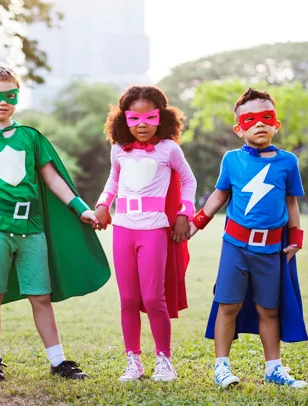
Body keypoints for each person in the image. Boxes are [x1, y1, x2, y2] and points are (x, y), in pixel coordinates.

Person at [0, 63, 111, 381]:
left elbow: (53, 178)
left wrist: (82, 209)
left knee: (40, 295)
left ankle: (58, 360)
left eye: (9, 95)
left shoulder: (31, 137)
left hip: (31, 226)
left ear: (18, 97)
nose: (2, 102)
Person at [191, 88, 308, 388]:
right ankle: (222, 367)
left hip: (271, 249)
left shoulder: (288, 162)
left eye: (266, 118)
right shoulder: (231, 160)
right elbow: (219, 194)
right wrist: (196, 224)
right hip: (235, 246)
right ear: (239, 127)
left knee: (269, 309)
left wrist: (296, 238)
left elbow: (292, 202)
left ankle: (274, 367)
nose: (259, 124)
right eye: (250, 119)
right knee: (227, 304)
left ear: (276, 124)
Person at [95, 85, 197, 382]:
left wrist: (183, 214)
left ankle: (164, 361)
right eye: (134, 118)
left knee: (154, 298)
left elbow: (189, 182)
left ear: (161, 118)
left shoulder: (169, 149)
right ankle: (133, 362)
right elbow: (113, 180)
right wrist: (103, 204)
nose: (141, 124)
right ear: (122, 119)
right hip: (123, 229)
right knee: (128, 299)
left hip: (154, 229)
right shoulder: (118, 149)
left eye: (149, 118)